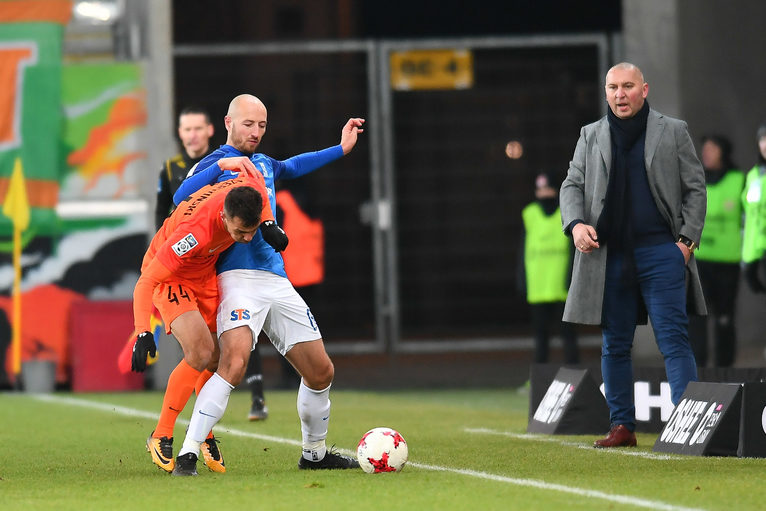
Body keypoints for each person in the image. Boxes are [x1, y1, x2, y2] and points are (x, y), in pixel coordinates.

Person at [168, 94, 363, 476]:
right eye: (248, 124)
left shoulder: (264, 163)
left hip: (277, 280)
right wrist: (220, 166)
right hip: (236, 279)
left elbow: (294, 165)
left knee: (321, 372)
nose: (255, 132)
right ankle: (189, 453)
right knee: (234, 364)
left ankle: (314, 454)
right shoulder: (216, 162)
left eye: (261, 125)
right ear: (228, 122)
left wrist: (340, 148)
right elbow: (180, 195)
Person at [559, 62, 706, 448]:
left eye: (627, 86)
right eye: (612, 87)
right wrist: (575, 224)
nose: (620, 94)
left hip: (662, 252)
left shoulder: (674, 130)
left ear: (644, 89)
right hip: (611, 256)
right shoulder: (590, 134)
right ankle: (622, 426)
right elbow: (571, 184)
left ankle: (687, 426)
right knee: (615, 343)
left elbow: (695, 188)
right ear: (605, 92)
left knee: (673, 339)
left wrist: (686, 244)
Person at [131, 169, 287, 475]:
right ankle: (161, 434)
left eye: (252, 230)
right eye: (241, 232)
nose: (248, 238)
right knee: (200, 352)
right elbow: (146, 281)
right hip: (172, 277)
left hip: (204, 274)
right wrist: (142, 332)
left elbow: (257, 183)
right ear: (224, 216)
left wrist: (268, 223)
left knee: (216, 358)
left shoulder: (248, 192)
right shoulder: (194, 234)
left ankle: (204, 434)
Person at [688, 135, 744, 367]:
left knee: (724, 317)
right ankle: (698, 367)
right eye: (705, 149)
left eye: (712, 149)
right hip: (699, 259)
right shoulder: (695, 179)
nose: (707, 153)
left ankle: (725, 368)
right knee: (696, 316)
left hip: (728, 261)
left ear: (724, 151)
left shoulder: (739, 180)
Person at [518, 172, 579, 365]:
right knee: (540, 336)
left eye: (547, 188)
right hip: (538, 285)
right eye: (540, 189)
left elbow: (574, 250)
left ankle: (573, 375)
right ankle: (539, 377)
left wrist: (572, 277)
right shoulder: (529, 214)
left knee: (568, 335)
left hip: (562, 285)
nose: (544, 193)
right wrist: (522, 278)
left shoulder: (566, 212)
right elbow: (523, 249)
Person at [155, 107, 215, 230]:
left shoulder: (221, 163)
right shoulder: (169, 167)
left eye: (198, 129)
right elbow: (161, 210)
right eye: (187, 129)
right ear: (180, 132)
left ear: (210, 130)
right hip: (180, 236)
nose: (193, 135)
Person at [742, 123, 766, 295]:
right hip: (756, 253)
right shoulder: (753, 175)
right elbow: (748, 216)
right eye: (762, 139)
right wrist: (747, 258)